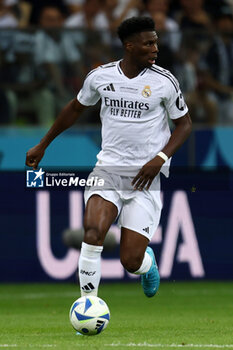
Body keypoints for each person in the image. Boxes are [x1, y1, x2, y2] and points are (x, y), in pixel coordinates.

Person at [25, 17, 192, 298]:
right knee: (93, 233)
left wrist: (160, 158)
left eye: (156, 42)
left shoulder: (165, 81)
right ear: (129, 46)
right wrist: (43, 144)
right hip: (108, 170)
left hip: (145, 177)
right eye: (148, 43)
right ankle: (88, 305)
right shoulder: (101, 76)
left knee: (131, 261)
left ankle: (147, 264)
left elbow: (185, 124)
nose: (155, 49)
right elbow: (75, 109)